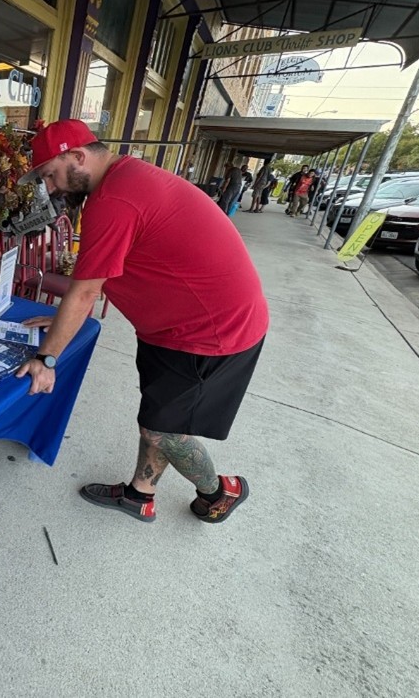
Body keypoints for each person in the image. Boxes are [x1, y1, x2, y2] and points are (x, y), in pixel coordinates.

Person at [15, 120, 268, 524]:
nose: (52, 188)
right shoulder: (125, 178)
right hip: (173, 327)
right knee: (155, 417)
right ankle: (139, 494)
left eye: (51, 175)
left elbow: (84, 292)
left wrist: (47, 358)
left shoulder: (114, 199)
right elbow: (104, 279)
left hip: (209, 331)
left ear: (77, 156)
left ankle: (220, 490)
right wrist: (66, 320)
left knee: (163, 430)